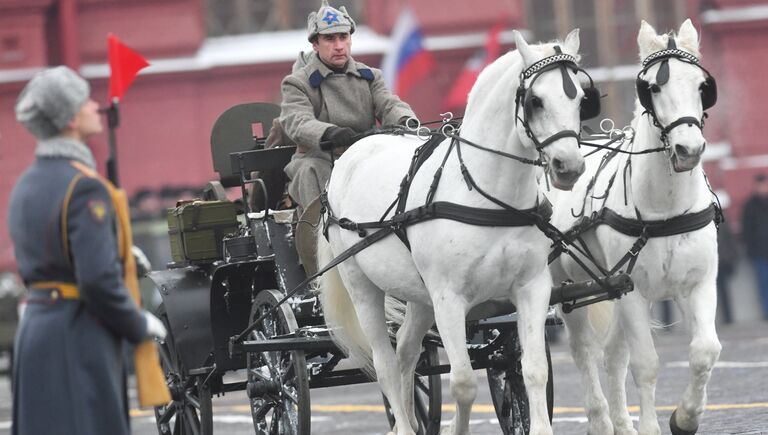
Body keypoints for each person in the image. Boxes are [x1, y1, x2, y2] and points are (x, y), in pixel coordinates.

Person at [8, 66, 167, 435]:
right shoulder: (85, 187)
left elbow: (49, 255)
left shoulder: (27, 183)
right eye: (84, 101)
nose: (96, 106)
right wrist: (136, 321)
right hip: (78, 335)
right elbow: (95, 280)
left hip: (37, 331)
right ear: (68, 119)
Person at [278, 0, 417, 211]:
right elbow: (297, 121)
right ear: (315, 44)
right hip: (320, 157)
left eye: (343, 37)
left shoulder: (369, 76)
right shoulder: (298, 82)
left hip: (366, 153)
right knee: (310, 171)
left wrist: (405, 119)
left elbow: (388, 104)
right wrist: (329, 133)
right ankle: (319, 235)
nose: (339, 45)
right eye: (329, 39)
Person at [742, 173, 768, 320]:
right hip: (759, 252)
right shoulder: (750, 206)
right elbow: (747, 230)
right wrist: (751, 249)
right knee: (764, 284)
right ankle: (766, 312)